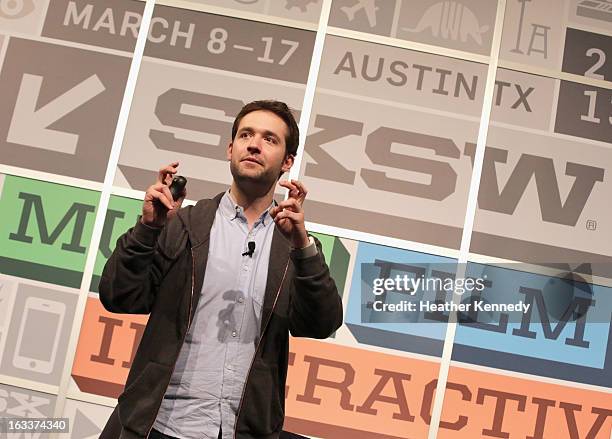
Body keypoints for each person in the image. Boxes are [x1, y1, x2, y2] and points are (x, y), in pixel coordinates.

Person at [98, 100, 343, 439]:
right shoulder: (184, 224)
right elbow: (118, 296)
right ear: (230, 149)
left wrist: (304, 250)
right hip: (160, 426)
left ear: (288, 162)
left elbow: (321, 324)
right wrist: (147, 230)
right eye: (246, 135)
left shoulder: (294, 244)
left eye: (270, 139)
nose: (254, 144)